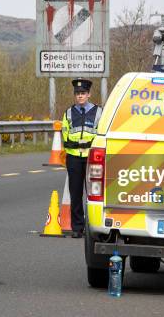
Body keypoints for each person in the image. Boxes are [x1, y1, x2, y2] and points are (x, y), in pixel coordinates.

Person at [61, 78, 103, 239]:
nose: (80, 96)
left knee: (94, 193)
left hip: (93, 157)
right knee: (76, 193)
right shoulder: (69, 112)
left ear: (89, 94)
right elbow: (65, 133)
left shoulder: (99, 112)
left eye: (83, 93)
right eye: (77, 94)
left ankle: (94, 227)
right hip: (74, 157)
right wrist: (71, 146)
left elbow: (101, 132)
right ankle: (77, 228)